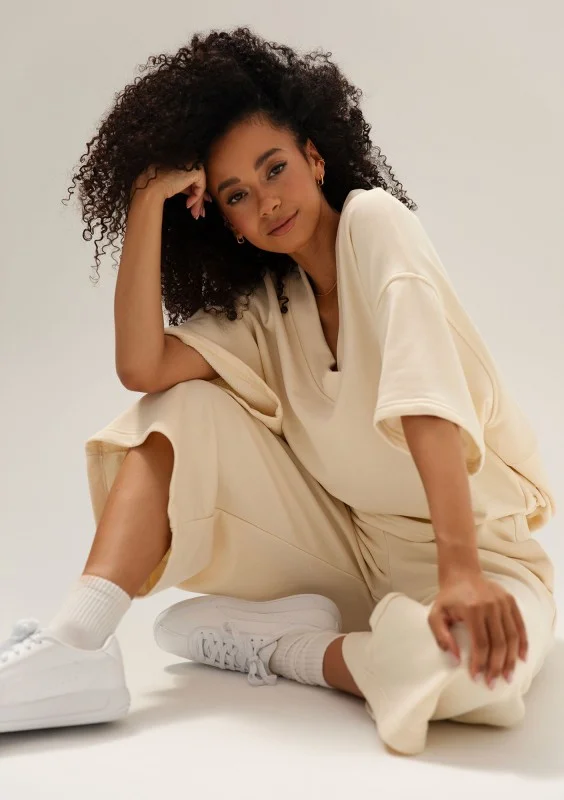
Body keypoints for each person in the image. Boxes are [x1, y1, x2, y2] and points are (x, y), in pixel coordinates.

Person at [0, 26, 557, 756]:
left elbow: (426, 396)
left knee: (480, 675)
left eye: (275, 169)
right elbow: (143, 368)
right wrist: (146, 197)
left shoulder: (375, 225)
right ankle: (76, 643)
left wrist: (460, 575)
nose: (266, 201)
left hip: (481, 558)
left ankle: (287, 646)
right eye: (237, 194)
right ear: (226, 222)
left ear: (315, 158)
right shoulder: (267, 312)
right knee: (182, 407)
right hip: (352, 554)